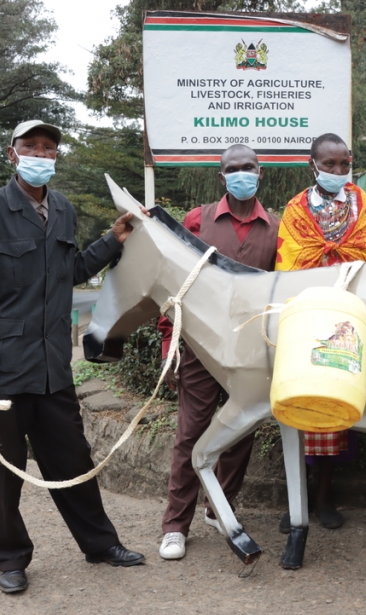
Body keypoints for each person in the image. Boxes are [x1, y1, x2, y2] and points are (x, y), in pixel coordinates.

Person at [0, 120, 145, 594]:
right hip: (1, 373)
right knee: (0, 472)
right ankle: (10, 558)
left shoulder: (62, 209)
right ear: (12, 153)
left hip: (53, 367)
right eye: (31, 147)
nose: (41, 154)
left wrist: (112, 240)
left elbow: (71, 271)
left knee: (74, 461)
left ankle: (100, 545)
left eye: (49, 148)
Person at [157, 144, 280, 561]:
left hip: (249, 351)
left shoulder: (277, 228)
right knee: (191, 433)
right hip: (199, 346)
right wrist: (168, 343)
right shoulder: (198, 219)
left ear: (260, 173)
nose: (241, 174)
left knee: (240, 431)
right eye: (233, 168)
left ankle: (219, 505)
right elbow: (178, 285)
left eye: (248, 167)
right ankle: (176, 524)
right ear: (221, 175)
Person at [275, 133, 366, 531]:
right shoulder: (295, 210)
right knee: (299, 404)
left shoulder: (362, 204)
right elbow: (289, 261)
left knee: (338, 403)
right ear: (313, 166)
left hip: (348, 315)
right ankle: (296, 502)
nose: (339, 171)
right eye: (330, 165)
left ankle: (324, 497)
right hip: (307, 315)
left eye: (344, 164)